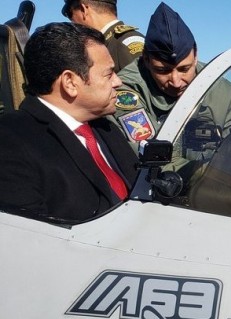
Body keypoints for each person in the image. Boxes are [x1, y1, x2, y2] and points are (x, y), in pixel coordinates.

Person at [0, 22, 137, 221]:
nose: (118, 81)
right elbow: (31, 238)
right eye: (108, 74)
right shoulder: (10, 140)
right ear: (70, 83)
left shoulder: (104, 126)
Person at [113, 2, 231, 177]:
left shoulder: (221, 89)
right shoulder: (127, 92)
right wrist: (212, 177)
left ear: (196, 55)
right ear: (146, 60)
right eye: (162, 71)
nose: (176, 82)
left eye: (184, 69)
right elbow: (151, 158)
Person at [62, 0, 144, 73]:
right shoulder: (110, 42)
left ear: (84, 10)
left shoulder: (126, 43)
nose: (72, 23)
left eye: (70, 15)